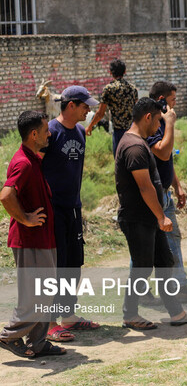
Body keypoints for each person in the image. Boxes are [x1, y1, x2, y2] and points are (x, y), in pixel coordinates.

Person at [115, 97, 187, 330]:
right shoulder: (133, 147)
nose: (159, 127)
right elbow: (145, 187)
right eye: (158, 121)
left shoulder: (139, 142)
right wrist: (162, 216)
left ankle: (176, 312)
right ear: (147, 117)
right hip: (138, 217)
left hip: (149, 217)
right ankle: (130, 313)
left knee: (164, 261)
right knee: (142, 266)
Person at [0, 111, 66, 358]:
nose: (50, 134)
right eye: (46, 130)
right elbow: (6, 195)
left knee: (46, 292)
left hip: (42, 240)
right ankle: (8, 335)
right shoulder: (23, 163)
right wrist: (25, 219)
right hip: (30, 242)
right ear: (34, 134)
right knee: (38, 295)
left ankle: (37, 343)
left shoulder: (33, 159)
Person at [42, 86, 101, 343]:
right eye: (85, 105)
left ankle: (68, 316)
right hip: (53, 210)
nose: (89, 109)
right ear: (71, 105)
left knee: (74, 264)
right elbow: (35, 167)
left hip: (73, 208)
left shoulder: (79, 131)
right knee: (56, 265)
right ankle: (48, 324)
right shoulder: (50, 132)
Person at [146, 81, 187, 303]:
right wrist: (169, 123)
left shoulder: (162, 123)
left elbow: (167, 161)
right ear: (161, 101)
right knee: (145, 245)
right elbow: (162, 153)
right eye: (172, 100)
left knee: (172, 237)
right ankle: (141, 292)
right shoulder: (152, 124)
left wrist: (177, 185)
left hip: (164, 192)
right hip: (150, 196)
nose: (175, 105)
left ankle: (180, 285)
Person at [86, 59, 138, 156]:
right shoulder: (132, 89)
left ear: (110, 72)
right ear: (125, 72)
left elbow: (100, 113)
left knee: (120, 164)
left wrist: (89, 127)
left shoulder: (109, 89)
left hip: (118, 133)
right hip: (133, 131)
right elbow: (137, 110)